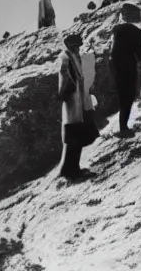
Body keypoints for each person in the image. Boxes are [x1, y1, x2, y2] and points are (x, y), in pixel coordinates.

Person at [58, 33, 99, 180]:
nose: (77, 48)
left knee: (77, 137)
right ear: (70, 45)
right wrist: (64, 93)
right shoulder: (65, 58)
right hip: (74, 101)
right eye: (76, 46)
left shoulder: (72, 56)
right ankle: (71, 171)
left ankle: (70, 169)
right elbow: (65, 78)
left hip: (79, 100)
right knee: (74, 137)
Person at [110, 3, 141, 137]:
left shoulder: (116, 30)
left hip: (116, 68)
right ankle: (124, 128)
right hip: (129, 68)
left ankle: (122, 126)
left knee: (122, 98)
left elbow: (112, 52)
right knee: (128, 97)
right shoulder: (137, 32)